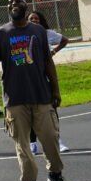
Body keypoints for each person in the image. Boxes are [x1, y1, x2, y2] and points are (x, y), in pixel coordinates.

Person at [0, 0, 69, 181]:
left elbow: (49, 63)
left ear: (26, 7)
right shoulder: (0, 34)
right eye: (11, 3)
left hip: (41, 95)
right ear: (8, 8)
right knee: (23, 146)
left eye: (19, 2)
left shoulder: (38, 31)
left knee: (51, 138)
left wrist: (56, 90)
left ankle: (55, 174)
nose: (14, 4)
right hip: (15, 99)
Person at [27, 11, 69, 154]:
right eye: (31, 18)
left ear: (41, 21)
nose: (34, 20)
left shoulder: (46, 33)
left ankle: (58, 140)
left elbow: (65, 40)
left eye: (36, 18)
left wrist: (54, 51)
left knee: (52, 109)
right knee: (30, 112)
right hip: (28, 78)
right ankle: (32, 142)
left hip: (44, 76)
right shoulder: (20, 34)